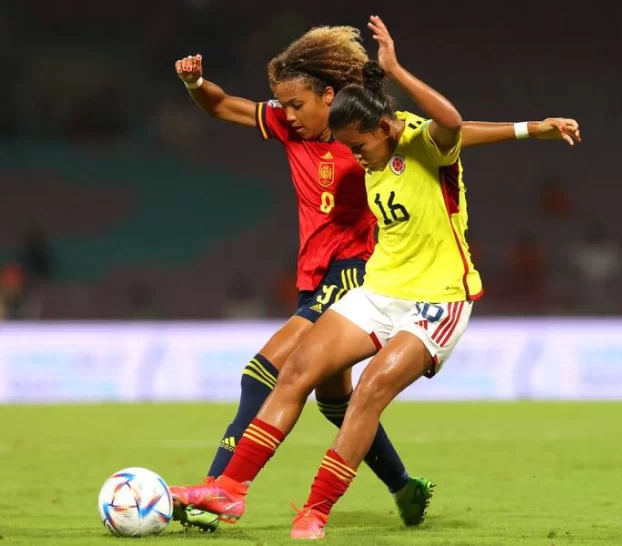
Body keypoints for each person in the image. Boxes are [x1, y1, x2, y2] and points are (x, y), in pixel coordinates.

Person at [170, 15, 581, 540]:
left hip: (429, 296)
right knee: (313, 385)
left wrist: (531, 127)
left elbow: (453, 125)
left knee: (327, 385)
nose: (353, 159)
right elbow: (229, 106)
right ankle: (245, 491)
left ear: (377, 129)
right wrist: (195, 84)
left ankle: (299, 505)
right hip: (373, 288)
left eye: (357, 148)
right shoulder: (336, 134)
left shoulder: (417, 143)